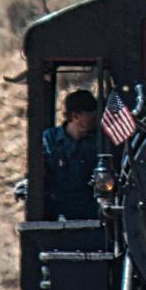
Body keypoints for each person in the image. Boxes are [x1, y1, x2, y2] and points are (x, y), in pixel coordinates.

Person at [42, 89, 99, 219]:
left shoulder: (98, 142)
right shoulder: (50, 140)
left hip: (91, 210)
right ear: (75, 116)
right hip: (58, 210)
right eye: (90, 113)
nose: (95, 117)